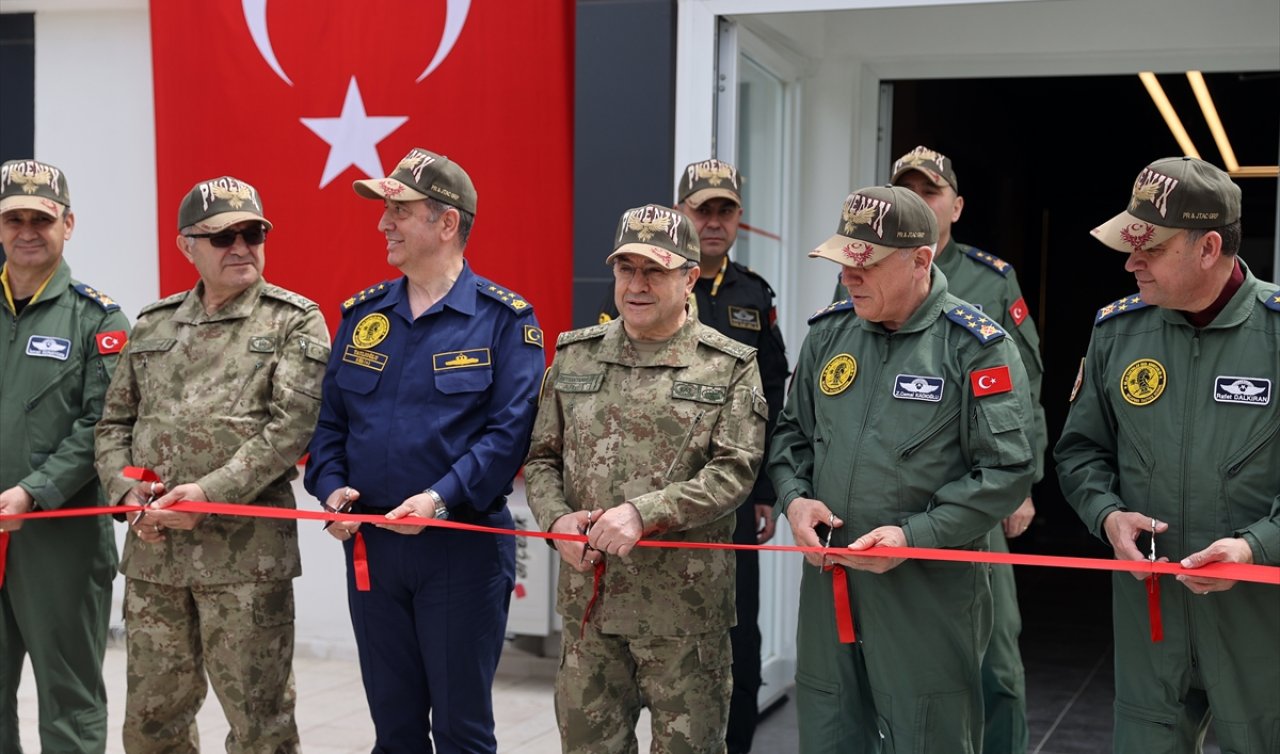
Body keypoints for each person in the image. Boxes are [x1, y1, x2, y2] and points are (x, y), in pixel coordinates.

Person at [769, 186, 1036, 754]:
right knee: (829, 727)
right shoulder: (830, 333)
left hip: (927, 590)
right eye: (844, 260)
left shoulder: (976, 346)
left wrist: (915, 536)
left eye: (866, 263)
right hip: (831, 582)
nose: (849, 276)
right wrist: (795, 499)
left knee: (927, 735)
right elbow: (792, 434)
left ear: (921, 259)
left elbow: (1007, 469)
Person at [304, 147, 546, 754]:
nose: (383, 223)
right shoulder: (363, 316)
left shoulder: (504, 320)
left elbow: (508, 435)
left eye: (400, 210)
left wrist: (440, 499)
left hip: (459, 551)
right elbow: (330, 424)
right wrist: (331, 489)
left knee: (462, 733)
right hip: (373, 550)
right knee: (395, 730)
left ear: (446, 222)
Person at [95, 176, 329, 753]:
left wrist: (209, 492)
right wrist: (126, 496)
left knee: (261, 726)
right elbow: (113, 426)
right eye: (223, 236)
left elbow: (289, 429)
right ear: (187, 246)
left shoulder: (293, 321)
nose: (241, 246)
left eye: (253, 232)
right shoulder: (153, 324)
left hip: (245, 563)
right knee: (152, 724)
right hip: (155, 561)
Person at [1055, 156, 1279, 753]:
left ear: (1208, 247)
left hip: (1260, 621)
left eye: (1149, 247)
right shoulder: (1117, 333)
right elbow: (1079, 452)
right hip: (1149, 619)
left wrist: (1254, 547)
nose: (1130, 262)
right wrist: (1107, 515)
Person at [525, 203, 767, 754]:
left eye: (654, 270)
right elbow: (541, 459)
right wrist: (556, 520)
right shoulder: (574, 356)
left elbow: (735, 471)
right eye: (625, 269)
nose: (637, 284)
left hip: (684, 618)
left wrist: (643, 513)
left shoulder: (728, 365)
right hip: (590, 610)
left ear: (688, 278)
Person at [596, 158, 788, 753]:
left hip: (720, 507)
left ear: (737, 219)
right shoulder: (635, 289)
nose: (712, 221)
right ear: (682, 212)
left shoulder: (752, 295)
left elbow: (775, 397)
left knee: (732, 636)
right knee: (625, 656)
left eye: (723, 210)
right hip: (635, 508)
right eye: (701, 208)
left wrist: (765, 492)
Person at [886, 145, 1044, 753]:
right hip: (892, 495)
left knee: (995, 656)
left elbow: (1025, 387)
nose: (921, 201)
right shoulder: (868, 272)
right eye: (908, 189)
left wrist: (1021, 483)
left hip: (974, 495)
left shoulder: (991, 279)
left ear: (956, 204)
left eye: (931, 191)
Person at [0, 159, 130, 754]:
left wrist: (35, 489)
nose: (28, 230)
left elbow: (103, 424)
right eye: (14, 218)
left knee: (68, 700)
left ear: (68, 224)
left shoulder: (98, 319)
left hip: (59, 537)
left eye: (41, 218)